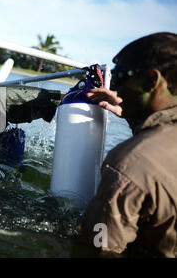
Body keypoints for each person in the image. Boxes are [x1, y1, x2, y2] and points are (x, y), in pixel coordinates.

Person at [78, 32, 177, 257]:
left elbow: (99, 248)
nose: (116, 89)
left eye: (121, 76)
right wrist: (135, 112)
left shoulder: (129, 164)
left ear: (152, 80)